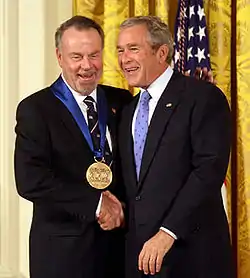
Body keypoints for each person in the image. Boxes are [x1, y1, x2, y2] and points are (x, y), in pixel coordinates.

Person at [14, 15, 132, 278]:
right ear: (59, 57)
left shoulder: (122, 101)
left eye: (94, 55)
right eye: (76, 56)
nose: (87, 66)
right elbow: (30, 180)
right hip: (63, 256)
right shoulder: (36, 109)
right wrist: (96, 204)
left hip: (120, 251)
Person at [117, 16, 234, 278]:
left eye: (133, 49)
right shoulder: (128, 111)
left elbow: (207, 173)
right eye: (120, 50)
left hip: (192, 257)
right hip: (141, 260)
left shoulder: (202, 97)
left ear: (161, 53)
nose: (124, 59)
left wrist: (167, 232)